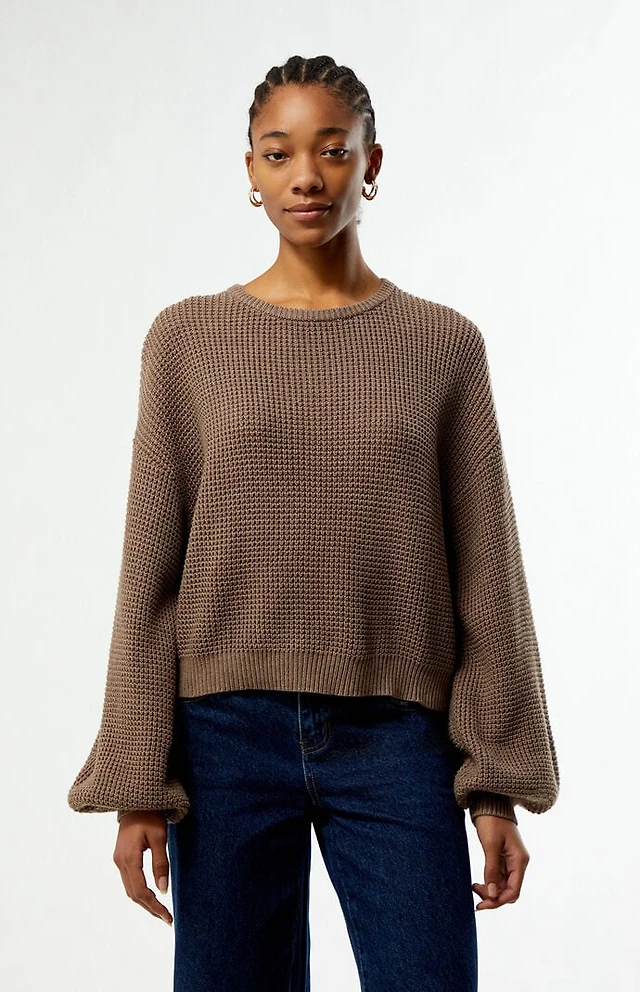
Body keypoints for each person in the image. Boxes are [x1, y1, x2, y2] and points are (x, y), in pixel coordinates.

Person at [67, 54, 560, 991]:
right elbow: (149, 576)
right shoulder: (187, 341)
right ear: (250, 171)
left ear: (372, 163)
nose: (306, 176)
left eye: (333, 150)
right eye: (279, 152)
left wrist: (495, 783)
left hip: (398, 742)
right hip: (222, 739)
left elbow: (488, 574)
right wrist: (137, 781)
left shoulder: (443, 346)